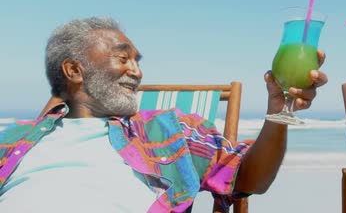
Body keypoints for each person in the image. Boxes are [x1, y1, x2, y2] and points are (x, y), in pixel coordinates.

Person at [0, 17, 328, 212]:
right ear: (74, 70)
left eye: (138, 61)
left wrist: (276, 111)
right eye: (123, 59)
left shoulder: (167, 130)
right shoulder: (14, 137)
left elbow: (249, 178)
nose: (137, 73)